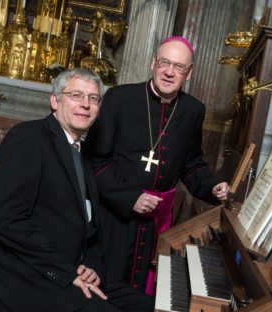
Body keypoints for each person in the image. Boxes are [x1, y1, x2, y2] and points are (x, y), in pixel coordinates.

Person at [0, 68, 153, 312]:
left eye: (94, 98)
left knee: (143, 307)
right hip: (27, 277)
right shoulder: (28, 138)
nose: (85, 104)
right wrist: (68, 274)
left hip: (68, 268)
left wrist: (93, 269)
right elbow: (7, 221)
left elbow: (92, 229)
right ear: (55, 101)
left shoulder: (80, 152)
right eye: (76, 95)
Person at [85, 36, 230, 296]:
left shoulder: (193, 110)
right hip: (115, 219)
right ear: (153, 63)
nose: (169, 72)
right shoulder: (120, 98)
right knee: (106, 288)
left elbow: (192, 164)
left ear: (189, 72)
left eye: (179, 67)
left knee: (144, 294)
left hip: (157, 223)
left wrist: (213, 187)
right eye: (164, 62)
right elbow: (96, 162)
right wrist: (131, 198)